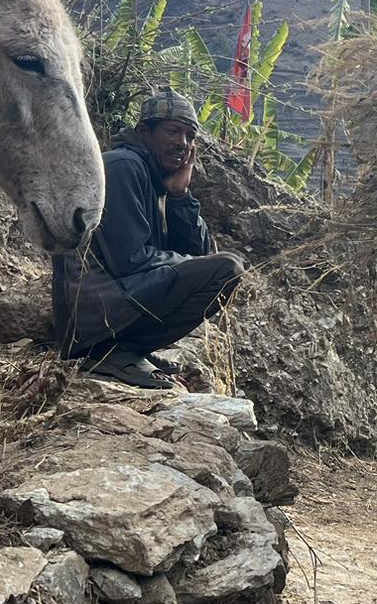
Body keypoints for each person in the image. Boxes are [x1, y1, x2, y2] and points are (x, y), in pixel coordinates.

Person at [52, 90, 244, 388]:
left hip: (112, 307)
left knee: (223, 270)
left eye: (190, 136)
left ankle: (127, 348)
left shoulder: (158, 183)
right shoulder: (122, 166)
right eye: (173, 131)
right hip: (94, 316)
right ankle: (105, 352)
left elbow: (203, 254)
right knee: (228, 269)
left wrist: (180, 197)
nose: (183, 143)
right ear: (144, 131)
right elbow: (129, 260)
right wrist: (195, 264)